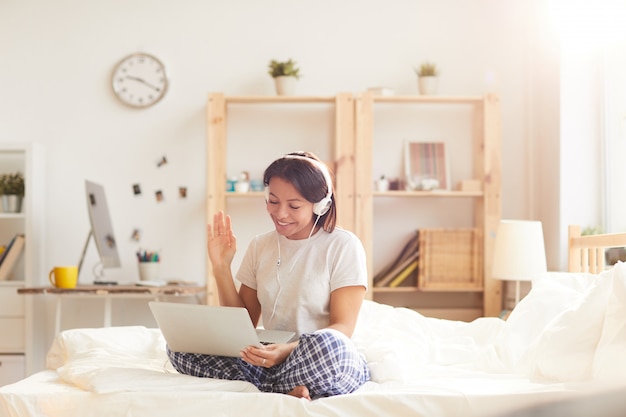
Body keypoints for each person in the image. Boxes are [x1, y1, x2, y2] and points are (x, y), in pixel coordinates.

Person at [166, 151, 370, 400]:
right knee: (181, 346)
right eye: (273, 201)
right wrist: (221, 268)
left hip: (316, 359)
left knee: (332, 345)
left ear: (320, 205)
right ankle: (283, 389)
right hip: (269, 363)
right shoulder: (260, 246)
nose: (280, 214)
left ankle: (269, 388)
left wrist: (286, 352)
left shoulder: (343, 246)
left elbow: (343, 328)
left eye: (294, 206)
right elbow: (242, 324)